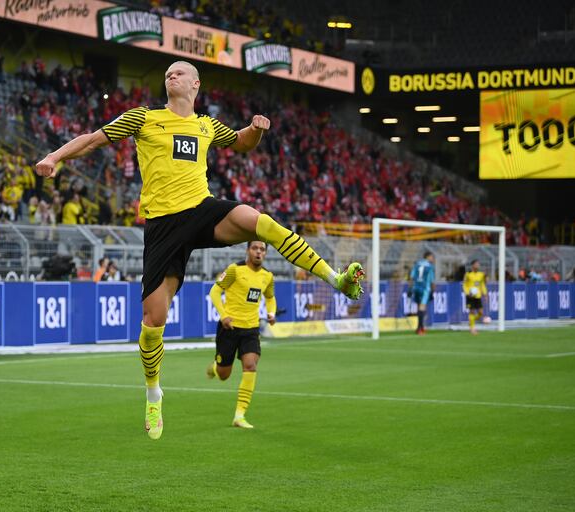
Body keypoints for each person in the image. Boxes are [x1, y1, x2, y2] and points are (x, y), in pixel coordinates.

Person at [34, 60, 364, 440]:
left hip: (203, 211)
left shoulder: (206, 125)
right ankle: (154, 392)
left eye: (178, 72)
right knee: (153, 321)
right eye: (167, 73)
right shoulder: (142, 118)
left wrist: (256, 131)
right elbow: (93, 139)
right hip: (162, 226)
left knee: (263, 222)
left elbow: (241, 142)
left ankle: (335, 277)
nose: (170, 76)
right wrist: (55, 157)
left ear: (195, 83)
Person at [206, 241, 276, 429]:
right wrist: (224, 316)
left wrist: (271, 313)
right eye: (255, 248)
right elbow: (214, 291)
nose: (259, 252)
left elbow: (270, 297)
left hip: (251, 330)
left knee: (250, 366)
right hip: (229, 328)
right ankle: (216, 366)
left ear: (266, 253)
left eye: (262, 249)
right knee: (223, 374)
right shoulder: (234, 270)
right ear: (248, 251)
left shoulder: (267, 276)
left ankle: (239, 415)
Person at [410, 251, 435, 335]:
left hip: (416, 287)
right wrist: (432, 291)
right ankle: (420, 329)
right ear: (427, 257)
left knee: (419, 307)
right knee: (422, 308)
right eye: (432, 257)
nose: (433, 259)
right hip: (425, 288)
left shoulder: (417, 264)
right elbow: (432, 281)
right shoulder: (430, 266)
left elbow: (412, 277)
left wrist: (410, 289)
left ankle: (419, 327)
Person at [463, 259, 487, 335]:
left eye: (478, 264)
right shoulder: (468, 274)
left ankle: (471, 321)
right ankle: (472, 329)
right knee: (472, 311)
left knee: (480, 313)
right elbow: (464, 284)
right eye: (476, 264)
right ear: (472, 265)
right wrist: (467, 293)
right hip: (470, 296)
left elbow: (482, 284)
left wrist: (485, 293)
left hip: (478, 296)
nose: (477, 265)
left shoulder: (481, 274)